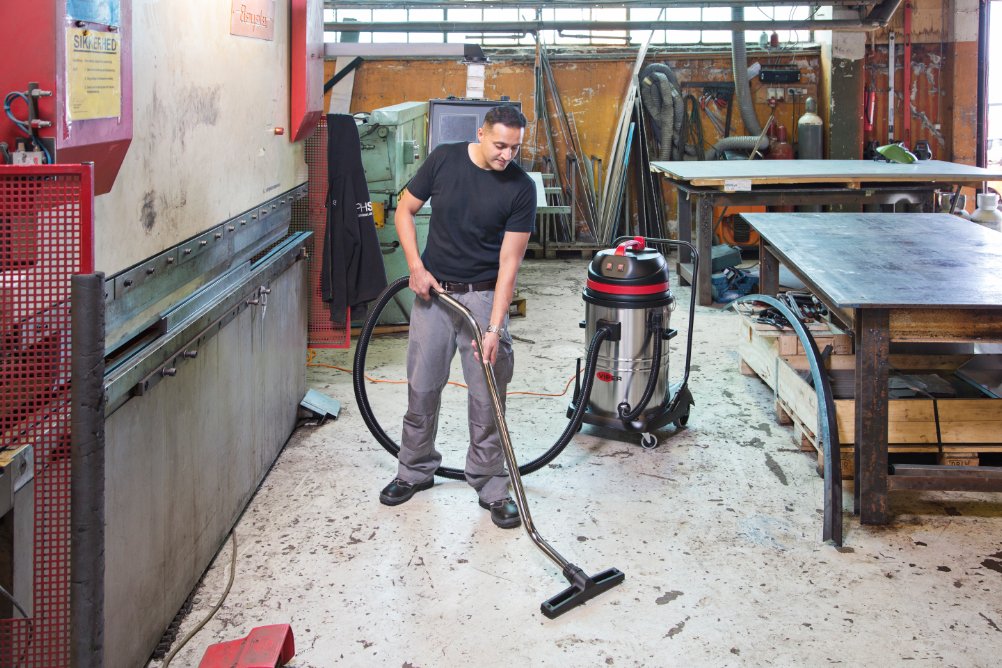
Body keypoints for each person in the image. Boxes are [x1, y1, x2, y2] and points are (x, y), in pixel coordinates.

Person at [379, 105, 536, 529]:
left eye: (515, 148)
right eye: (500, 145)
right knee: (422, 387)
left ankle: (490, 484)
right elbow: (404, 211)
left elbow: (509, 266)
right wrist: (416, 266)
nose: (507, 155)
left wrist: (494, 328)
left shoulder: (521, 188)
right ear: (481, 133)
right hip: (435, 294)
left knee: (487, 396)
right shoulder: (445, 159)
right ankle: (414, 469)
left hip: (483, 296)